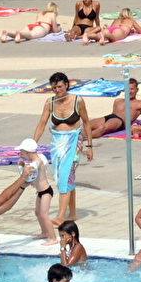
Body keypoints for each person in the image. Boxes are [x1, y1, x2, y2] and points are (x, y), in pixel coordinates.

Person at [32, 72, 92, 227]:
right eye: (54, 88)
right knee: (64, 177)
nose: (57, 90)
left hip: (74, 142)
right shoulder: (50, 102)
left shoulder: (78, 101)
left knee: (65, 177)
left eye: (60, 87)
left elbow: (86, 123)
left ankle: (60, 217)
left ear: (66, 85)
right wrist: (33, 144)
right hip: (57, 143)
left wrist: (90, 146)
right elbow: (41, 124)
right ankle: (72, 213)